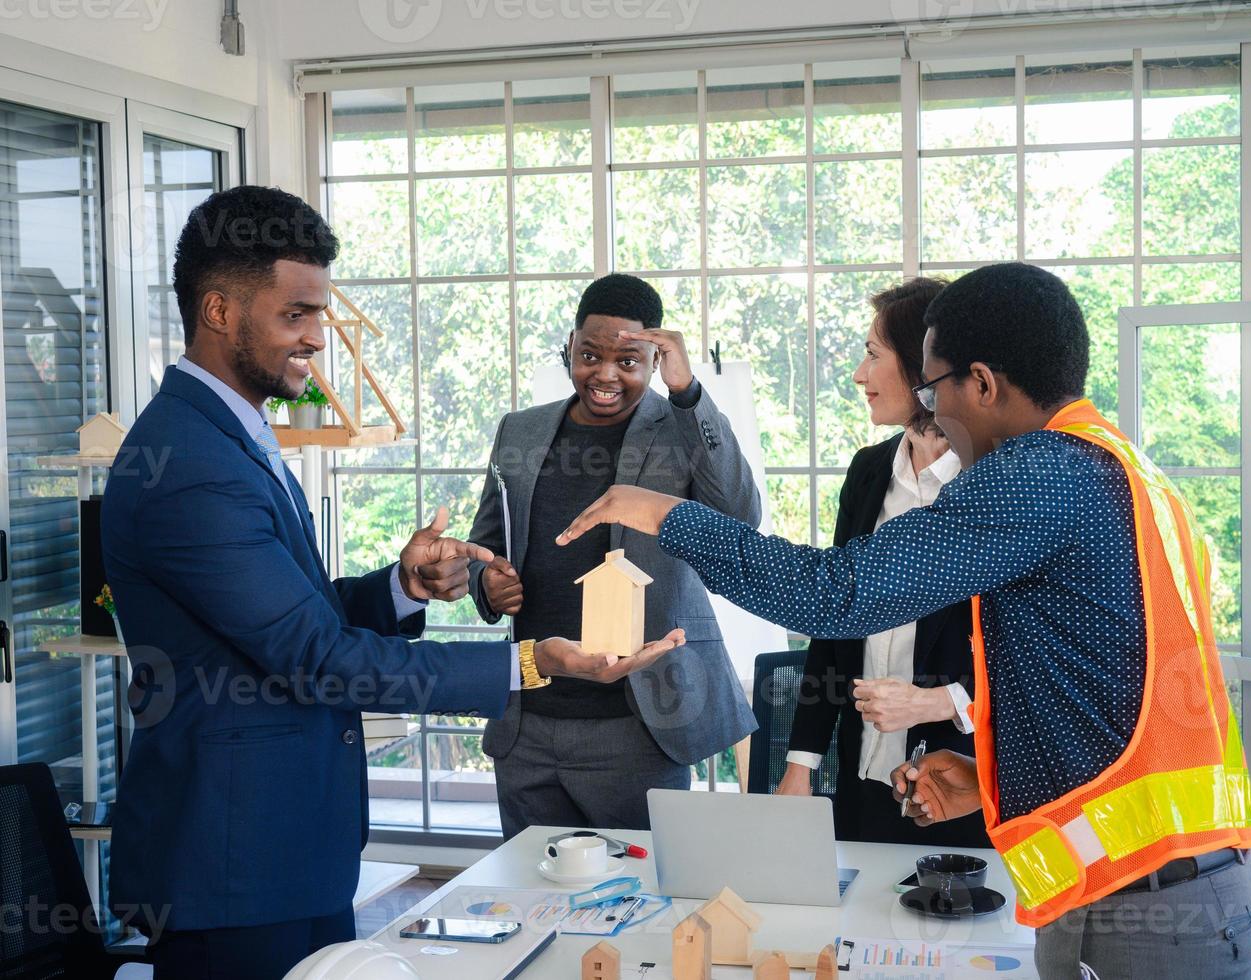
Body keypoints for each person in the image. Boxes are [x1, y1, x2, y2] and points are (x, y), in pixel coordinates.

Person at [554, 263, 1251, 978]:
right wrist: (988, 776)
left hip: (1144, 911)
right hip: (1171, 881)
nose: (931, 412)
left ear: (982, 384)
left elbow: (833, 594)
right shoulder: (1118, 466)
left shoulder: (1038, 474)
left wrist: (665, 513)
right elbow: (1099, 687)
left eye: (932, 388)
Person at [101, 187, 683, 980]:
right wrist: (530, 662)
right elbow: (316, 658)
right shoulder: (190, 468)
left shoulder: (225, 435)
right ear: (219, 311)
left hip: (281, 849)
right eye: (296, 315)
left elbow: (288, 615)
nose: (316, 339)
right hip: (232, 860)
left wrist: (400, 589)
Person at [463, 273, 760, 838]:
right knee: (535, 897)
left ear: (654, 360)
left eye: (628, 361)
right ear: (570, 346)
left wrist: (688, 392)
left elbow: (740, 516)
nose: (604, 374)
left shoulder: (681, 428)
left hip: (641, 721)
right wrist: (486, 582)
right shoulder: (520, 430)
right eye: (590, 355)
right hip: (528, 716)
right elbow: (488, 541)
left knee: (643, 902)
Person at [776, 277, 987, 849]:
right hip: (863, 776)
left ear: (926, 368)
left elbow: (1025, 659)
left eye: (873, 355)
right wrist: (802, 761)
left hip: (959, 788)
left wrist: (935, 703)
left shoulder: (992, 483)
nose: (859, 375)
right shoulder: (868, 472)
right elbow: (833, 616)